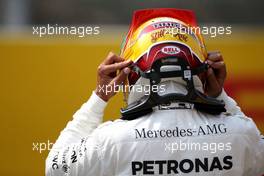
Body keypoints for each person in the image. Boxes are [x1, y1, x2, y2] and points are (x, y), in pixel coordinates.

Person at [46, 8, 264, 176]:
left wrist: (99, 97)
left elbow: (55, 166)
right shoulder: (239, 133)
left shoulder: (111, 141)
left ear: (131, 73)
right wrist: (221, 97)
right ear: (203, 70)